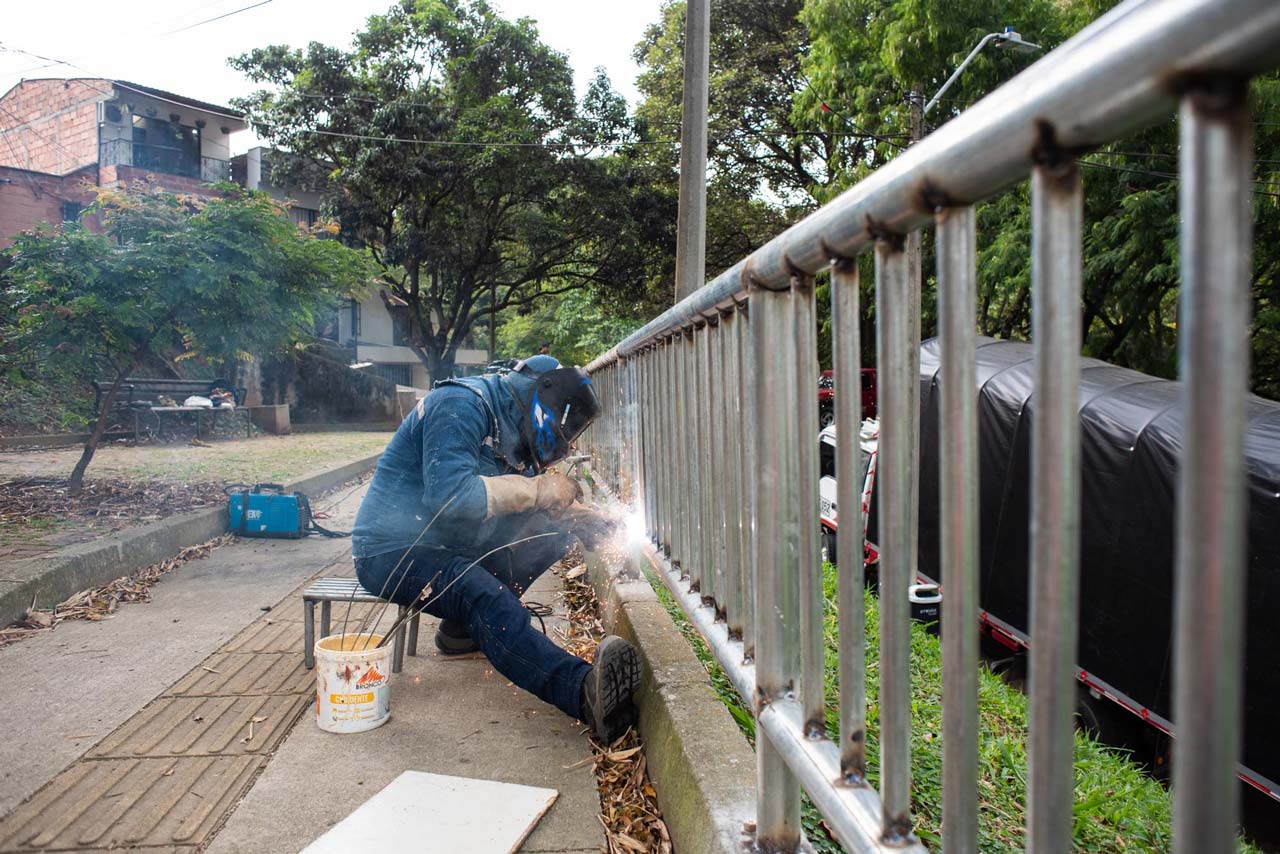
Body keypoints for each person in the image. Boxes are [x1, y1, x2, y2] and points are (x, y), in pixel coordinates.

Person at [351, 355, 639, 741]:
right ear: (544, 395)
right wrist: (539, 490)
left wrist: (586, 519)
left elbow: (522, 507)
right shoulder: (460, 404)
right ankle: (583, 693)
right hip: (390, 551)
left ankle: (461, 631)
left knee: (550, 533)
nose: (565, 442)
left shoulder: (513, 428)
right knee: (483, 595)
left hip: (444, 543)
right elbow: (452, 498)